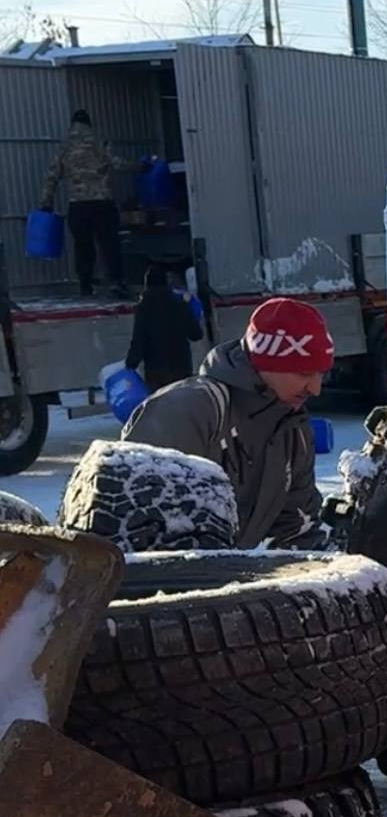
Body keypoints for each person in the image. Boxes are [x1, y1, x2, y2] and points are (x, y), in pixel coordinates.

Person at [122, 296, 331, 549]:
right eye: (304, 373)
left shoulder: (291, 429)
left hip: (220, 577)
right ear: (266, 362)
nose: (315, 388)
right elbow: (134, 523)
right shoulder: (187, 412)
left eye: (321, 373)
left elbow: (298, 531)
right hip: (163, 581)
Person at [40, 110, 127, 299]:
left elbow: (51, 176)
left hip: (78, 206)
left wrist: (46, 202)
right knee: (109, 244)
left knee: (83, 246)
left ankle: (85, 285)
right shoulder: (99, 141)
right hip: (102, 203)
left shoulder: (64, 146)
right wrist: (140, 166)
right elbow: (117, 163)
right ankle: (116, 282)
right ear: (89, 123)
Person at [125, 265, 203, 391]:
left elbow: (139, 340)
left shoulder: (143, 309)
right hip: (181, 369)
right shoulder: (179, 305)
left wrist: (131, 364)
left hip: (156, 373)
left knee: (161, 407)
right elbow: (196, 335)